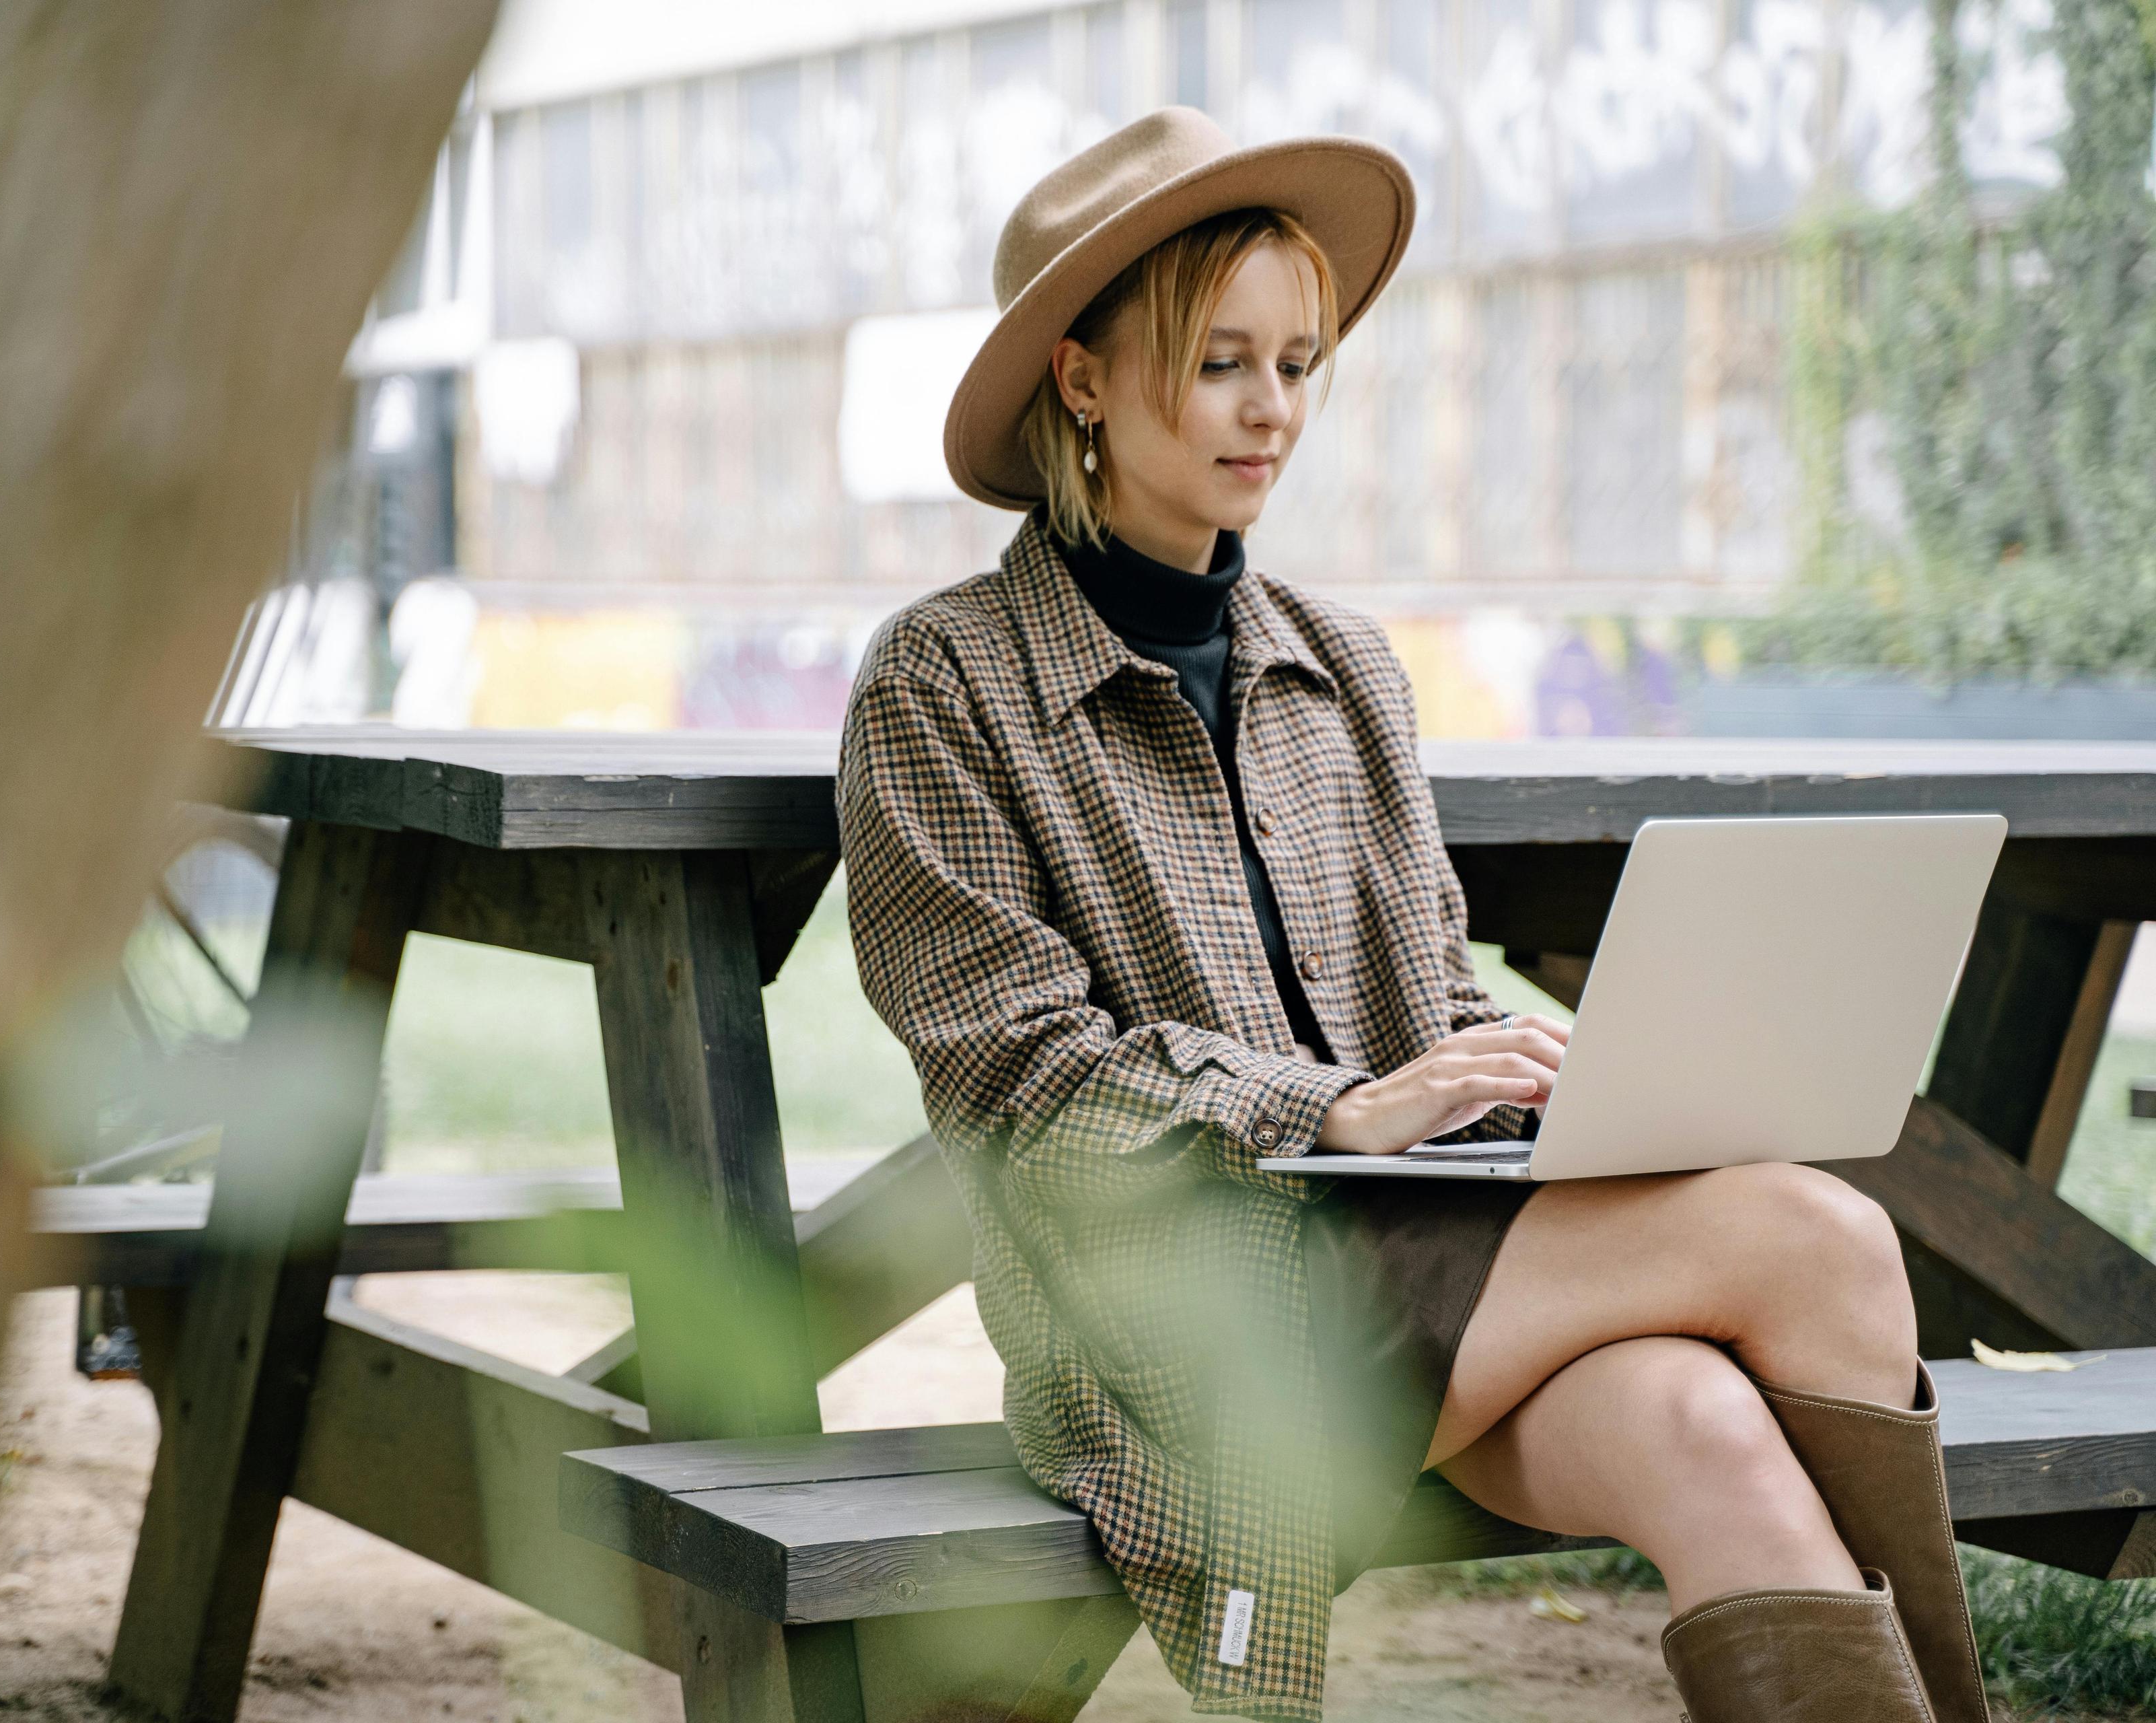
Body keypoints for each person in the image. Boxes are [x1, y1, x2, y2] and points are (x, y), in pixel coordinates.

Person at [836, 107, 1983, 1723]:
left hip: (1423, 1267)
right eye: (1222, 359)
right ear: (1081, 378)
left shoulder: (1343, 662)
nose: (1272, 408)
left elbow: (1419, 985)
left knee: (1709, 1434)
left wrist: (1513, 1069)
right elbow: (1018, 1083)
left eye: (1298, 362)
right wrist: (1339, 1104)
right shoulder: (941, 681)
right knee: (1821, 1237)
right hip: (1187, 1305)